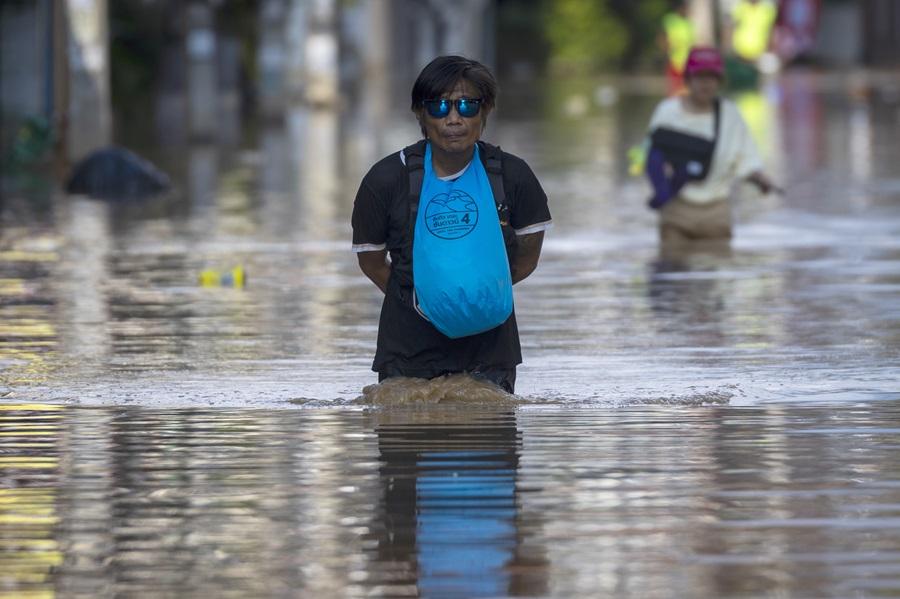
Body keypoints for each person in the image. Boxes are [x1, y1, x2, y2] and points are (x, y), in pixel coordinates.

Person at [351, 55, 552, 394]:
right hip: (408, 350)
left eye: (467, 106)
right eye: (440, 107)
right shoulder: (385, 180)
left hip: (490, 350)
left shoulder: (512, 176)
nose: (454, 118)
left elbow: (527, 258)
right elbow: (370, 261)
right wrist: (427, 297)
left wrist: (472, 296)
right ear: (420, 113)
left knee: (489, 423)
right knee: (402, 420)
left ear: (486, 110)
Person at [644, 46, 778, 245]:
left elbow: (746, 159)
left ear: (719, 81)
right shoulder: (667, 112)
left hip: (716, 213)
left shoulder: (731, 115)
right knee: (671, 261)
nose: (705, 83)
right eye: (699, 76)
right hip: (676, 210)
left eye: (711, 77)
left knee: (717, 261)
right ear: (688, 79)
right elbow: (651, 156)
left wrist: (760, 179)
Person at [725, 0, 779, 88]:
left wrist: (770, 50)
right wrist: (729, 49)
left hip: (760, 58)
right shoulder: (740, 7)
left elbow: (772, 31)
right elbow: (730, 28)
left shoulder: (768, 9)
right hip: (739, 57)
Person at [659, 0, 695, 95]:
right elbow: (662, 38)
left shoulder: (689, 24)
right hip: (673, 61)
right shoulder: (670, 20)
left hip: (686, 63)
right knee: (673, 91)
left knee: (686, 91)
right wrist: (666, 49)